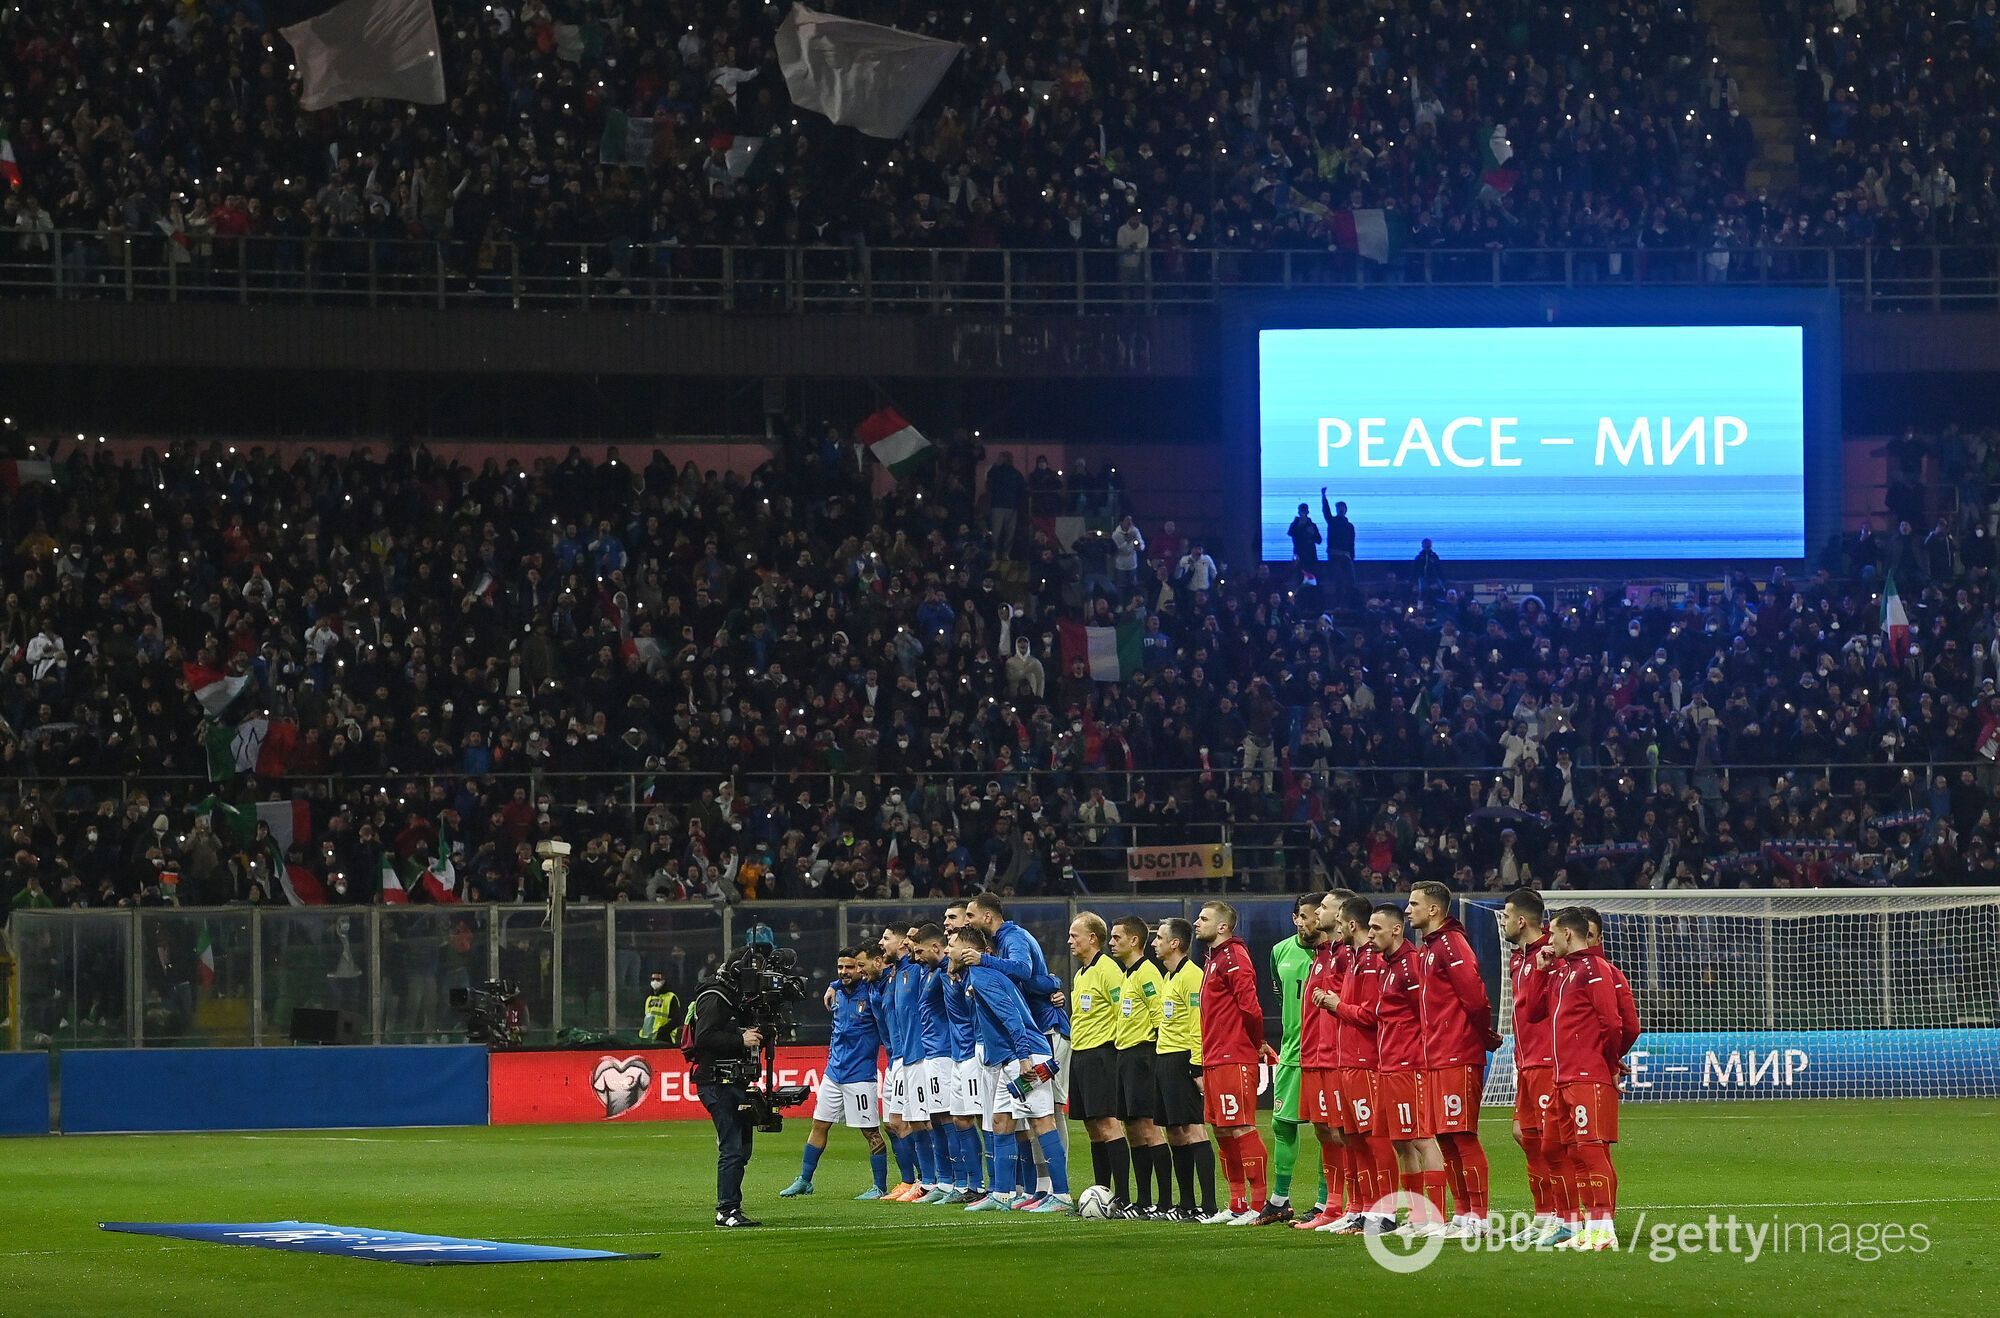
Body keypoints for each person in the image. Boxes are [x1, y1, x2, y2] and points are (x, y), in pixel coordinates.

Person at [955, 893, 1068, 1205]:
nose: (966, 922)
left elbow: (1015, 1004)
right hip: (1010, 1057)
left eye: (970, 916)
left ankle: (1059, 1194)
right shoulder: (985, 967)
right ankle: (1002, 1194)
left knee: (1043, 1120)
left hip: (1028, 1054)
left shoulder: (1001, 952)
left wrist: (1023, 1058)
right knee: (1002, 1120)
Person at [1407, 879, 1502, 1237]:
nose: (1408, 909)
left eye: (1414, 904)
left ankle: (1480, 1216)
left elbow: (1475, 997)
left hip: (1458, 1053)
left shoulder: (1451, 944)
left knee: (1462, 1135)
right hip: (1436, 1056)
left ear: (1433, 909)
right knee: (1445, 1138)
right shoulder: (1429, 948)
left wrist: (1483, 1036)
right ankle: (1462, 1214)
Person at [1545, 907, 1642, 1251]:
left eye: (1552, 933)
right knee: (1572, 1151)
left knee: (1591, 1149)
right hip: (1564, 1077)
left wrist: (1609, 1061)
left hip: (1587, 1076)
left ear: (1568, 934)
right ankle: (1591, 1226)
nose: (1548, 939)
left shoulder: (1595, 969)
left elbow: (1616, 1024)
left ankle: (1604, 1229)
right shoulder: (1563, 972)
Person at [1366, 902, 1450, 1236]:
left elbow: (1429, 1014)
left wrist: (1421, 1055)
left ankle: (1437, 1218)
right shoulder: (1387, 966)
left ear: (1396, 929)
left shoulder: (1411, 965)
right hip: (1388, 1066)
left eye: (1376, 928)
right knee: (1401, 1144)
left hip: (1409, 1065)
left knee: (1421, 1139)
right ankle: (1417, 1216)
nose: (1370, 934)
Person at [781, 947, 890, 1200]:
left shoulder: (871, 992)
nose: (844, 972)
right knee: (819, 1125)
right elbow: (839, 983)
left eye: (850, 967)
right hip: (833, 1073)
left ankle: (879, 1186)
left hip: (860, 1076)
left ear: (860, 969)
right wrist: (833, 984)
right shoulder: (837, 992)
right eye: (840, 967)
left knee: (871, 1132)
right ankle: (805, 1181)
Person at [1320, 893, 1399, 1235]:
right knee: (1353, 1138)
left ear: (1351, 924)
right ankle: (1366, 1210)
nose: (1335, 929)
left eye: (1338, 923)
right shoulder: (1352, 958)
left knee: (1373, 1139)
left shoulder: (1372, 961)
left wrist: (1337, 1005)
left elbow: (1372, 1015)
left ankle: (1389, 1212)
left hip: (1367, 1062)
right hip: (1347, 1062)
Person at [1193, 900, 1276, 1224]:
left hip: (1234, 1057)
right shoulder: (1212, 959)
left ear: (1223, 927)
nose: (1197, 923)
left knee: (1241, 1127)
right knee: (1223, 1131)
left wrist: (1255, 1045)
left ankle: (1257, 1205)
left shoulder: (1234, 958)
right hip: (1214, 1057)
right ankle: (1238, 1203)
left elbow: (1251, 1009)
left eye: (1204, 918)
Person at [683, 947, 772, 1228]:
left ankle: (731, 1206)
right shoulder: (715, 997)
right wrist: (739, 1038)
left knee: (741, 1148)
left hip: (731, 1080)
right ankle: (727, 1210)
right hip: (715, 1080)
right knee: (732, 1146)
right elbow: (704, 1037)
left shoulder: (731, 996)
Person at [1501, 888, 1564, 1243]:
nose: (1505, 923)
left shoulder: (1550, 954)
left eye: (1508, 916)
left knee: (1549, 1140)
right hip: (1525, 1062)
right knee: (1524, 1135)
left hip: (1548, 1061)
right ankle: (1544, 1214)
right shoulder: (1519, 957)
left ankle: (1565, 1214)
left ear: (1521, 920)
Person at [1264, 891, 1327, 1225]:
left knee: (1326, 1128)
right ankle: (1279, 1199)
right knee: (1281, 1123)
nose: (1307, 922)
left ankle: (1323, 1202)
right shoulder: (1279, 951)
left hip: (1326, 1054)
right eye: (1301, 916)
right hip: (1291, 1051)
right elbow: (1279, 994)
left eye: (1313, 916)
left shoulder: (1335, 954)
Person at [1062, 911, 1130, 1208]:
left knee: (1109, 1125)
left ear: (1092, 938)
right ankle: (1101, 1195)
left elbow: (1122, 1013)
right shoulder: (1080, 974)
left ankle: (1124, 1197)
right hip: (1082, 1055)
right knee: (1092, 1126)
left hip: (1103, 1054)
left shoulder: (1108, 970)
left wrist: (1117, 1054)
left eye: (1074, 935)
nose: (1069, 941)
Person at [1150, 916, 1216, 1222]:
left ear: (1175, 943)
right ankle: (1187, 1203)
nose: (1155, 943)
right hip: (1165, 1058)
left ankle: (1209, 1206)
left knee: (1192, 1128)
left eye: (1160, 938)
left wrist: (1196, 1065)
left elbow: (1196, 1023)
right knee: (1174, 1130)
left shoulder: (1192, 976)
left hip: (1182, 1060)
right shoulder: (1169, 977)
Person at [1293, 890, 1353, 1231]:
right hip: (1312, 1055)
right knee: (1323, 1131)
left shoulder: (1346, 955)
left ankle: (1354, 1206)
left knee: (1342, 1132)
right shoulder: (1322, 954)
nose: (1314, 915)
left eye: (1322, 909)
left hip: (1336, 1056)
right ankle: (1332, 1206)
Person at [1109, 914, 1171, 1218]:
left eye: (1117, 937)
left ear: (1135, 940)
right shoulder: (1128, 974)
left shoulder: (1147, 973)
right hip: (1125, 1056)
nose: (1111, 942)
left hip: (1143, 1056)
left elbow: (1160, 1016)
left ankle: (1164, 1202)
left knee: (1149, 1128)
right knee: (1132, 1128)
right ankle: (1143, 1199)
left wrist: (1157, 1060)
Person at [941, 900, 990, 1202]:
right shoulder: (950, 971)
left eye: (955, 919)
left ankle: (992, 1185)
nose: (948, 924)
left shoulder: (980, 969)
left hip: (977, 1053)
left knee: (987, 1120)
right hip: (957, 1056)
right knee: (960, 1118)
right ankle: (970, 1185)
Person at [912, 923, 964, 1201]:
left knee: (949, 1118)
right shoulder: (929, 970)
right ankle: (944, 1182)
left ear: (936, 947)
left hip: (945, 1052)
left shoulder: (947, 969)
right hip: (930, 1054)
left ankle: (960, 1182)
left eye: (920, 951)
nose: (916, 956)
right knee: (934, 1117)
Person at [878, 924, 927, 1200]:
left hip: (920, 1055)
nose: (882, 943)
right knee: (897, 1122)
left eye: (887, 938)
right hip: (900, 1057)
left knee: (920, 1121)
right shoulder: (896, 973)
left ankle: (929, 1180)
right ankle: (914, 1180)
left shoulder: (918, 969)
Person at [985, 452, 1028, 560]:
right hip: (998, 506)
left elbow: (1022, 488)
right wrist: (996, 465)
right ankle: (994, 552)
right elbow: (989, 478)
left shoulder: (1015, 473)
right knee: (996, 532)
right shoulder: (996, 471)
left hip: (1011, 507)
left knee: (1010, 533)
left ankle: (1006, 553)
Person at [1322, 489, 1356, 606]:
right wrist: (1324, 498)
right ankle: (1339, 605)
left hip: (1346, 556)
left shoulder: (1350, 526)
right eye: (1339, 508)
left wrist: (1352, 557)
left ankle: (1350, 604)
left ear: (1346, 510)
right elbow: (1326, 512)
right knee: (1339, 580)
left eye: (1342, 508)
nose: (1341, 510)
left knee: (1351, 580)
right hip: (1334, 555)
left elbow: (1352, 543)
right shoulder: (1332, 522)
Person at [638, 967, 682, 1043]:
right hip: (648, 1037)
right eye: (653, 979)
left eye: (658, 979)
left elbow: (676, 1020)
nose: (655, 982)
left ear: (664, 981)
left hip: (665, 1038)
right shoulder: (649, 998)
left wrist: (661, 1031)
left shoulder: (671, 997)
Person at [1287, 502, 1322, 576]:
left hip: (1310, 556)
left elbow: (1319, 540)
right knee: (1299, 577)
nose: (1302, 513)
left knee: (1310, 577)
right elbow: (1290, 533)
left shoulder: (1312, 525)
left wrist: (1312, 534)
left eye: (1304, 511)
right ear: (1298, 512)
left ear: (1307, 512)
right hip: (1299, 555)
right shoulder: (1294, 524)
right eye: (1301, 511)